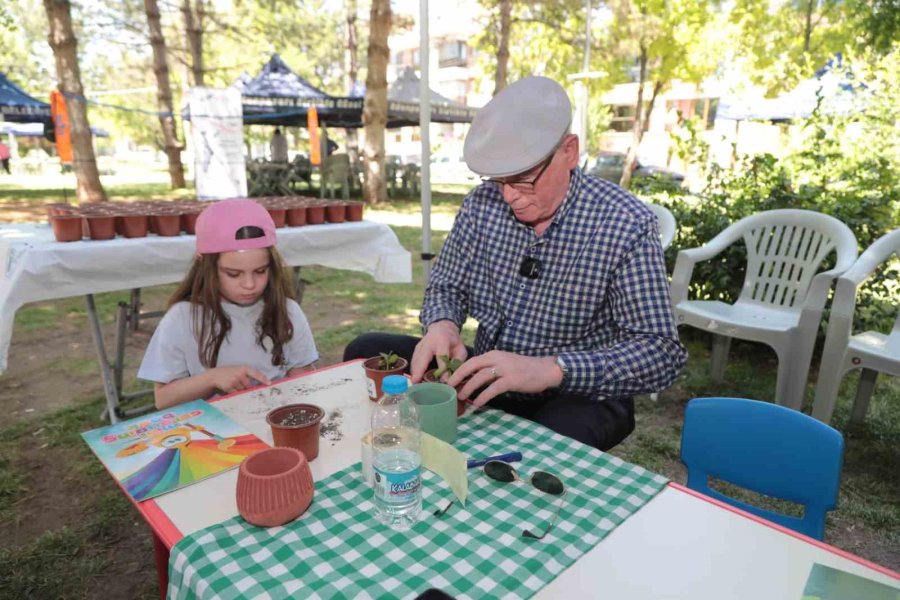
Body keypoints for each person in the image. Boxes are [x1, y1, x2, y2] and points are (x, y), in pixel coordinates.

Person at [344, 76, 686, 451]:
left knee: (549, 443)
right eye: (499, 180)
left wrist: (551, 369)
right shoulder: (481, 205)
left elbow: (660, 353)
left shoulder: (625, 223)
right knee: (367, 348)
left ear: (569, 152)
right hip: (493, 373)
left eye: (523, 180)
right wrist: (442, 326)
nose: (508, 197)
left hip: (577, 393)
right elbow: (447, 286)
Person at [138, 199, 318, 409]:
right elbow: (163, 399)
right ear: (206, 267)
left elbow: (303, 378)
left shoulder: (287, 311)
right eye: (233, 274)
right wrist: (211, 379)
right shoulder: (182, 317)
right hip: (214, 430)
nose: (249, 285)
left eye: (260, 271)